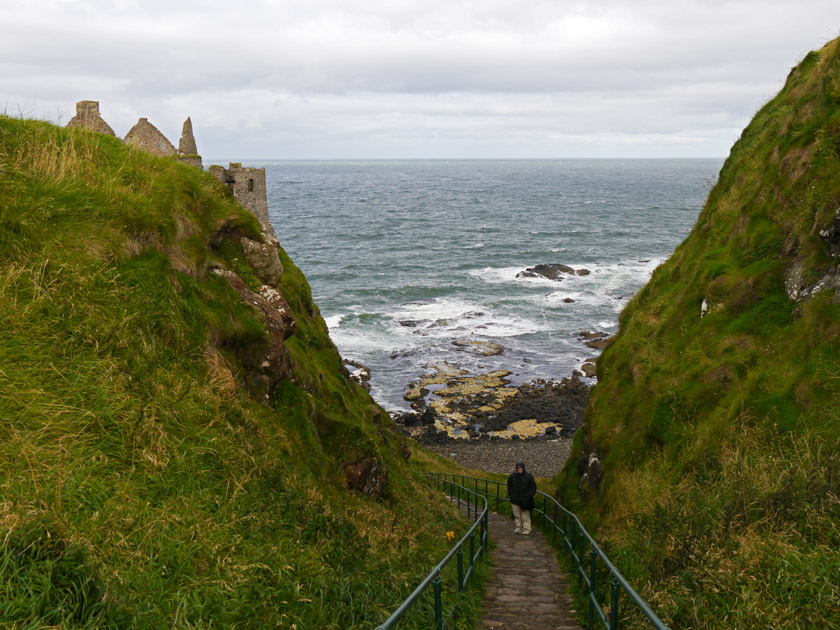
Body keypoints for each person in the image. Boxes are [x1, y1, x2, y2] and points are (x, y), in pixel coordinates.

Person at [507, 461, 537, 535]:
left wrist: (529, 495)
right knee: (517, 515)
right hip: (515, 499)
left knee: (525, 516)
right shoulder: (512, 476)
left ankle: (526, 530)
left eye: (521, 468)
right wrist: (511, 495)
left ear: (523, 468)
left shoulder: (528, 476)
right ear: (516, 468)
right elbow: (509, 486)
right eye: (518, 468)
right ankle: (518, 529)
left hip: (525, 500)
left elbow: (533, 487)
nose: (519, 469)